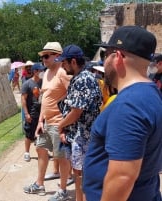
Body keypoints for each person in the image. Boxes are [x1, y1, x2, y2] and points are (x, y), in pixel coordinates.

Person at [83, 26, 162, 201]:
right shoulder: (151, 93)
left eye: (105, 55)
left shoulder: (129, 104)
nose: (104, 62)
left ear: (117, 57)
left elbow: (122, 177)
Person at [51, 45, 102, 201]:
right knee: (79, 176)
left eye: (64, 62)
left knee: (83, 178)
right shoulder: (80, 78)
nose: (62, 66)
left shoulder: (83, 79)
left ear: (73, 61)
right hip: (79, 136)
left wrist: (60, 126)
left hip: (84, 137)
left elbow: (76, 112)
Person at [23, 42, 72, 196]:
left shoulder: (63, 72)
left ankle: (63, 190)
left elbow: (72, 94)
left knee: (62, 157)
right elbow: (45, 98)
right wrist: (40, 121)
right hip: (46, 122)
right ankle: (40, 184)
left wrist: (65, 122)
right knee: (40, 148)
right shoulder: (47, 74)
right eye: (42, 56)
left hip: (59, 122)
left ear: (57, 56)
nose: (43, 59)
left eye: (46, 56)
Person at [21, 63, 45, 162]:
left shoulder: (43, 82)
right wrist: (26, 114)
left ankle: (42, 152)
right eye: (41, 71)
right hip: (32, 112)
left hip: (42, 113)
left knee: (42, 133)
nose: (42, 73)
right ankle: (26, 152)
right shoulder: (27, 84)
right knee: (29, 134)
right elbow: (23, 100)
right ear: (35, 71)